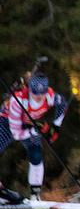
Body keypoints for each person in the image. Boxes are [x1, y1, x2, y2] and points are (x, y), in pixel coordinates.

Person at [0, 70, 67, 201]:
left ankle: (35, 195)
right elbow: (16, 134)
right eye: (35, 93)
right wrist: (35, 131)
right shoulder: (18, 100)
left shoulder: (50, 96)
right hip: (7, 121)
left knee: (36, 155)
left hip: (29, 123)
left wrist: (56, 127)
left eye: (42, 93)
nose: (39, 97)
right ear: (29, 89)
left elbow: (62, 104)